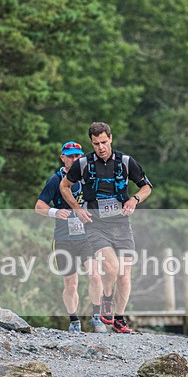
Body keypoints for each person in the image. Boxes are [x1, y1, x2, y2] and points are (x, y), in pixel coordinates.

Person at [60, 122, 152, 333]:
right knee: (111, 267)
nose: (100, 147)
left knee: (124, 275)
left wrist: (134, 200)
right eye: (96, 143)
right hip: (95, 225)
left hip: (121, 225)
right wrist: (77, 209)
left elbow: (146, 186)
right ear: (91, 143)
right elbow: (64, 186)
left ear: (110, 138)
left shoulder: (126, 162)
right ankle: (107, 298)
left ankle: (119, 319)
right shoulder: (83, 163)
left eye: (103, 142)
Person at [35, 141, 108, 333]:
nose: (75, 159)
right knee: (71, 282)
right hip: (63, 239)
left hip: (88, 237)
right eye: (71, 156)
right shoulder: (55, 180)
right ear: (63, 158)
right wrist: (54, 212)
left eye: (78, 156)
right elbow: (39, 206)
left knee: (95, 275)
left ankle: (96, 317)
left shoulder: (90, 179)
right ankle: (74, 320)